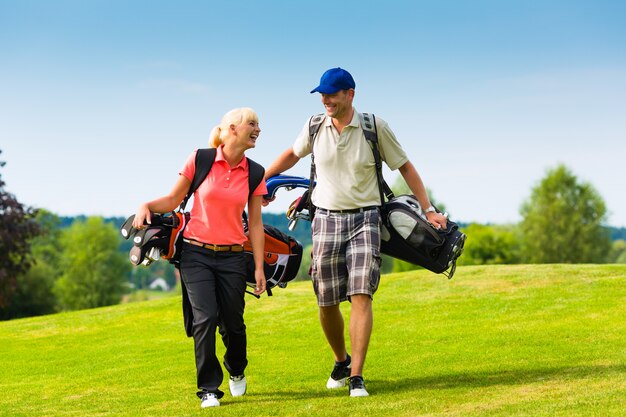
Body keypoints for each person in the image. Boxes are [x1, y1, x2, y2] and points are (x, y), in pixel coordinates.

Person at [264, 68, 447, 397]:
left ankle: (357, 376)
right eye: (322, 93)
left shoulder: (373, 127)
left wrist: (429, 209)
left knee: (361, 293)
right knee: (326, 299)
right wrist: (263, 179)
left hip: (366, 219)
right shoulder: (314, 126)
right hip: (326, 220)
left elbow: (405, 166)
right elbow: (292, 154)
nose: (326, 99)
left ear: (350, 93)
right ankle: (341, 360)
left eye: (332, 93)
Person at [132, 107, 267, 408]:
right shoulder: (201, 159)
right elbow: (173, 199)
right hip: (196, 254)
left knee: (233, 323)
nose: (258, 129)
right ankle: (208, 388)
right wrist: (146, 204)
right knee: (204, 318)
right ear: (232, 129)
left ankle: (236, 369)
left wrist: (258, 267)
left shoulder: (256, 172)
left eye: (259, 124)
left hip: (233, 257)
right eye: (252, 124)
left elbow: (255, 223)